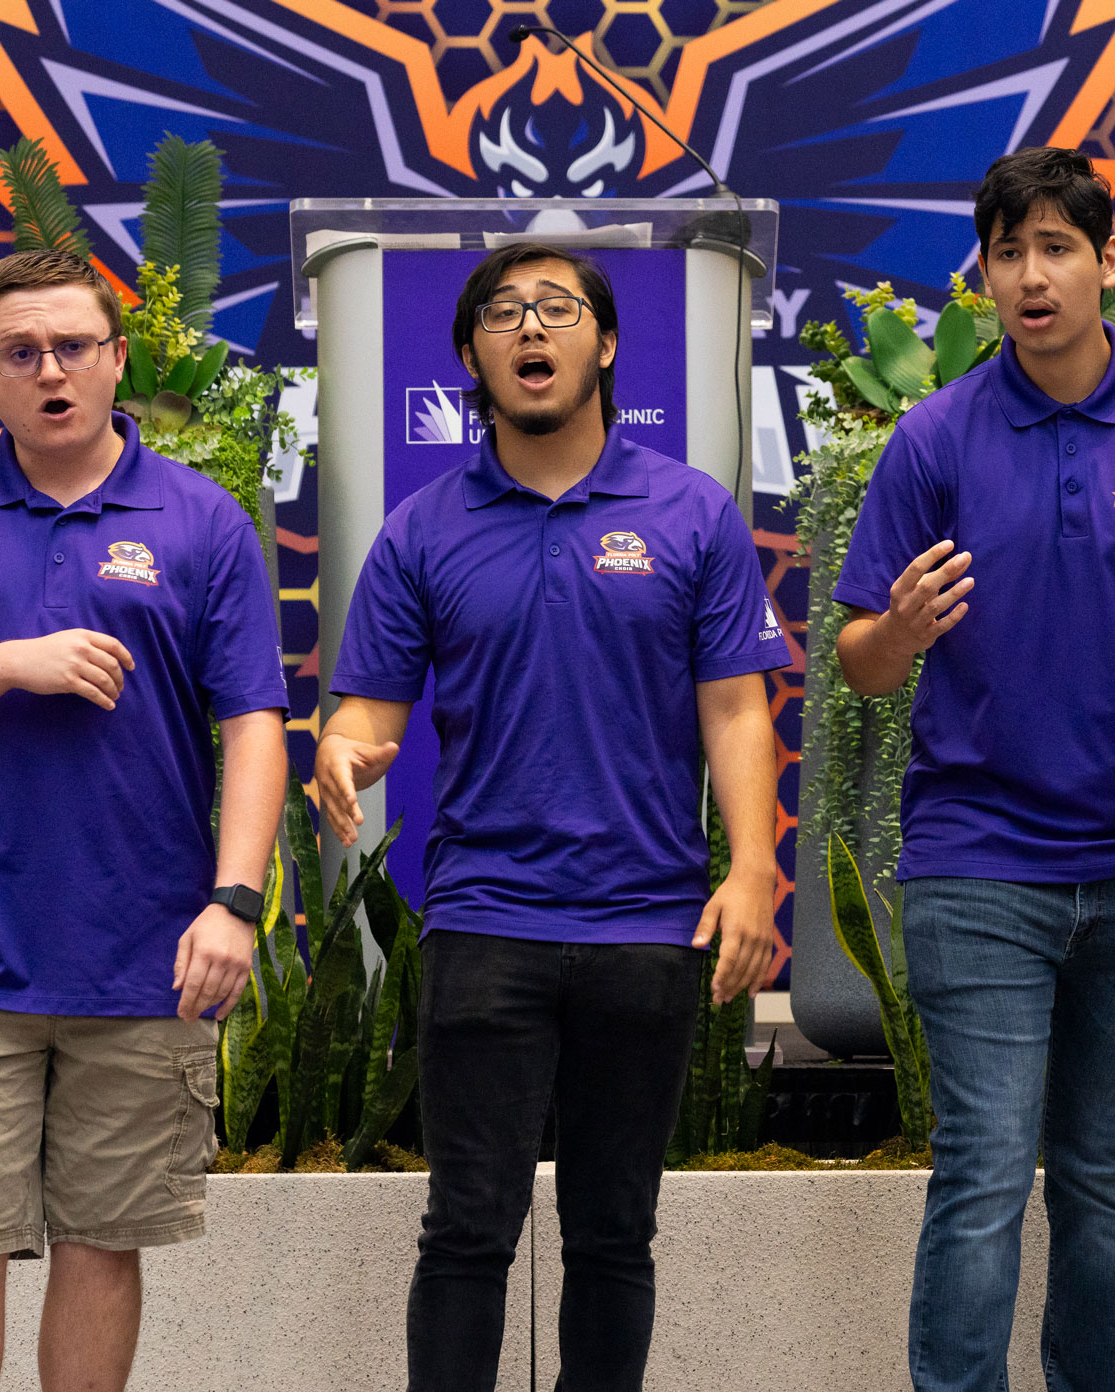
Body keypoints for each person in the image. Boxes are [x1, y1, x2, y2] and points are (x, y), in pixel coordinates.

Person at [832, 146, 1115, 1392]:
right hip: (979, 870)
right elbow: (859, 662)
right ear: (983, 279)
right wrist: (901, 631)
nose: (1032, 277)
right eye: (1007, 254)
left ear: (1103, 262)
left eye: (1056, 250)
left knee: (1102, 1184)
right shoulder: (932, 440)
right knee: (981, 1175)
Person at [313, 242, 788, 1392]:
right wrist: (340, 751)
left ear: (605, 344)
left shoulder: (690, 512)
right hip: (485, 923)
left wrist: (752, 872)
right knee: (467, 1231)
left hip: (647, 924)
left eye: (557, 309)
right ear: (473, 355)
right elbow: (363, 711)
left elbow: (735, 709)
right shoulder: (422, 530)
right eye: (503, 314)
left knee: (614, 1235)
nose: (531, 329)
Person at [0, 249, 289, 1392]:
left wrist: (234, 902)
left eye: (74, 347)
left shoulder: (203, 522)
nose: (50, 371)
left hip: (146, 954)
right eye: (19, 353)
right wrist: (3, 663)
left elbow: (254, 726)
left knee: (101, 1244)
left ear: (116, 358)